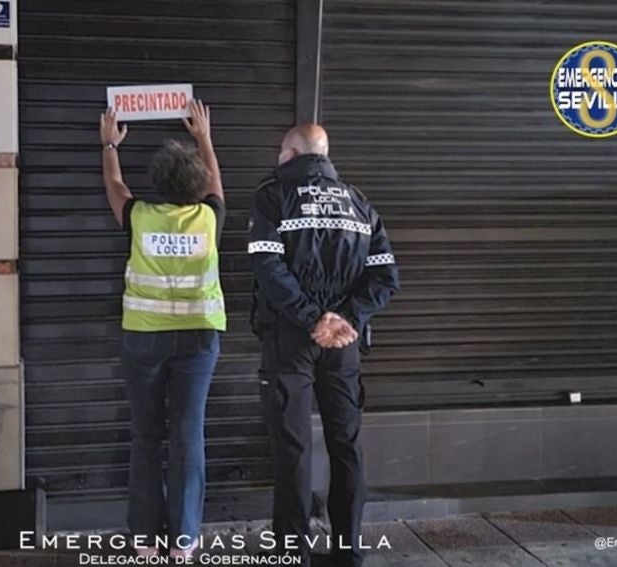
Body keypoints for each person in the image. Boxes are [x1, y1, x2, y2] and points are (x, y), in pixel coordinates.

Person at [248, 124, 399, 567]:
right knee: (346, 444)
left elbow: (268, 269)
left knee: (293, 446)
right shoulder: (359, 204)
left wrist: (313, 318)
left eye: (281, 150)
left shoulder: (272, 197)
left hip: (291, 339)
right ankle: (348, 548)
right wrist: (346, 318)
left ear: (293, 152)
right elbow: (387, 276)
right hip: (344, 342)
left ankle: (291, 552)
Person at [99, 100, 226, 559]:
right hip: (198, 340)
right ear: (197, 186)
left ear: (157, 183)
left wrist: (110, 143)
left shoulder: (139, 218)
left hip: (144, 339)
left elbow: (115, 186)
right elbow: (216, 183)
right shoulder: (210, 219)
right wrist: (204, 137)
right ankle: (185, 541)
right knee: (189, 435)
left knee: (147, 436)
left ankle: (145, 540)